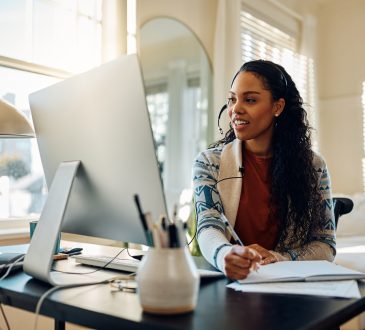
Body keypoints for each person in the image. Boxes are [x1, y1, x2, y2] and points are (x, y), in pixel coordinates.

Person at [192, 60, 335, 280]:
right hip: (231, 281)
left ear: (277, 107)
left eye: (249, 100)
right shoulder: (210, 162)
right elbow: (208, 226)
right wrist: (225, 255)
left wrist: (278, 257)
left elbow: (325, 245)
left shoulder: (313, 166)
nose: (235, 109)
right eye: (232, 99)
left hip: (288, 286)